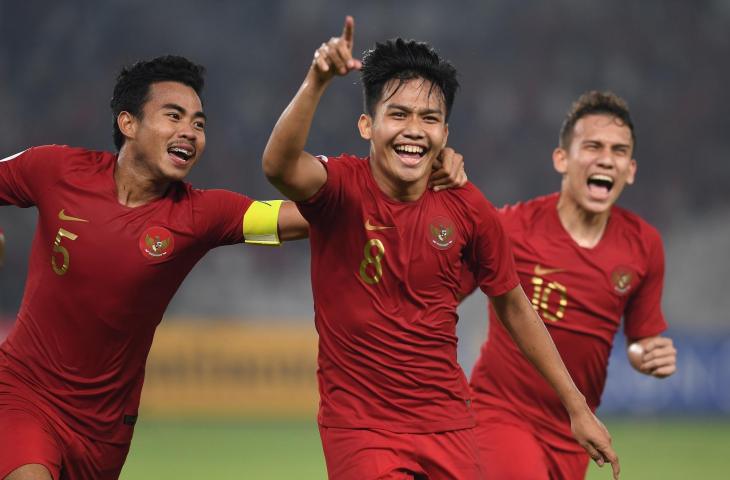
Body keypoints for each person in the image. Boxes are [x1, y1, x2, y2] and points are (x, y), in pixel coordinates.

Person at [0, 53, 467, 480]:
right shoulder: (55, 169)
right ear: (128, 122)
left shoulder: (200, 214)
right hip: (23, 392)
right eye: (174, 116)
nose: (190, 132)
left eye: (199, 123)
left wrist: (412, 172)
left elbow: (315, 212)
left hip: (105, 425)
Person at [262, 16, 619, 480]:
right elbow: (278, 166)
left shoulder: (470, 209)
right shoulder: (340, 188)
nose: (415, 129)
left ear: (445, 134)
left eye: (429, 118)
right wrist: (317, 81)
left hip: (448, 424)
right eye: (399, 115)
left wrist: (577, 408)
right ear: (367, 125)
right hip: (360, 427)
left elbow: (513, 306)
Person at [467, 91, 677, 479]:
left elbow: (640, 336)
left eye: (618, 150)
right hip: (500, 412)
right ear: (561, 159)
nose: (605, 158)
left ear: (629, 169)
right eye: (592, 146)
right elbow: (446, 286)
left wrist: (645, 354)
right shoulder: (512, 228)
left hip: (574, 430)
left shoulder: (644, 245)